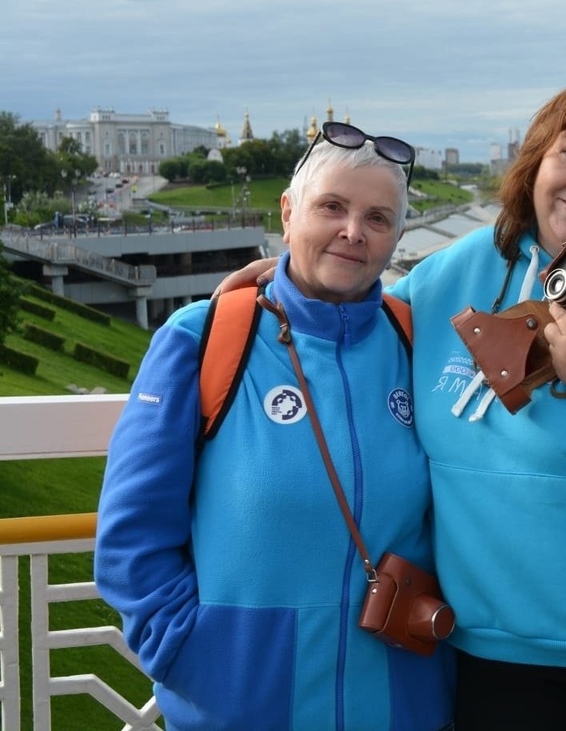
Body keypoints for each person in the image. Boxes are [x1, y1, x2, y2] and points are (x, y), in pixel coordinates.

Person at [218, 77, 566, 730]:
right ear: (536, 160)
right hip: (488, 646)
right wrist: (292, 281)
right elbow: (361, 318)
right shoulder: (456, 273)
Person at [94, 125, 455, 730]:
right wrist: (190, 652)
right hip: (244, 704)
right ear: (288, 212)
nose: (353, 232)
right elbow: (131, 536)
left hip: (399, 701)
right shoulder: (199, 338)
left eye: (378, 218)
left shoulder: (414, 342)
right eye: (332, 208)